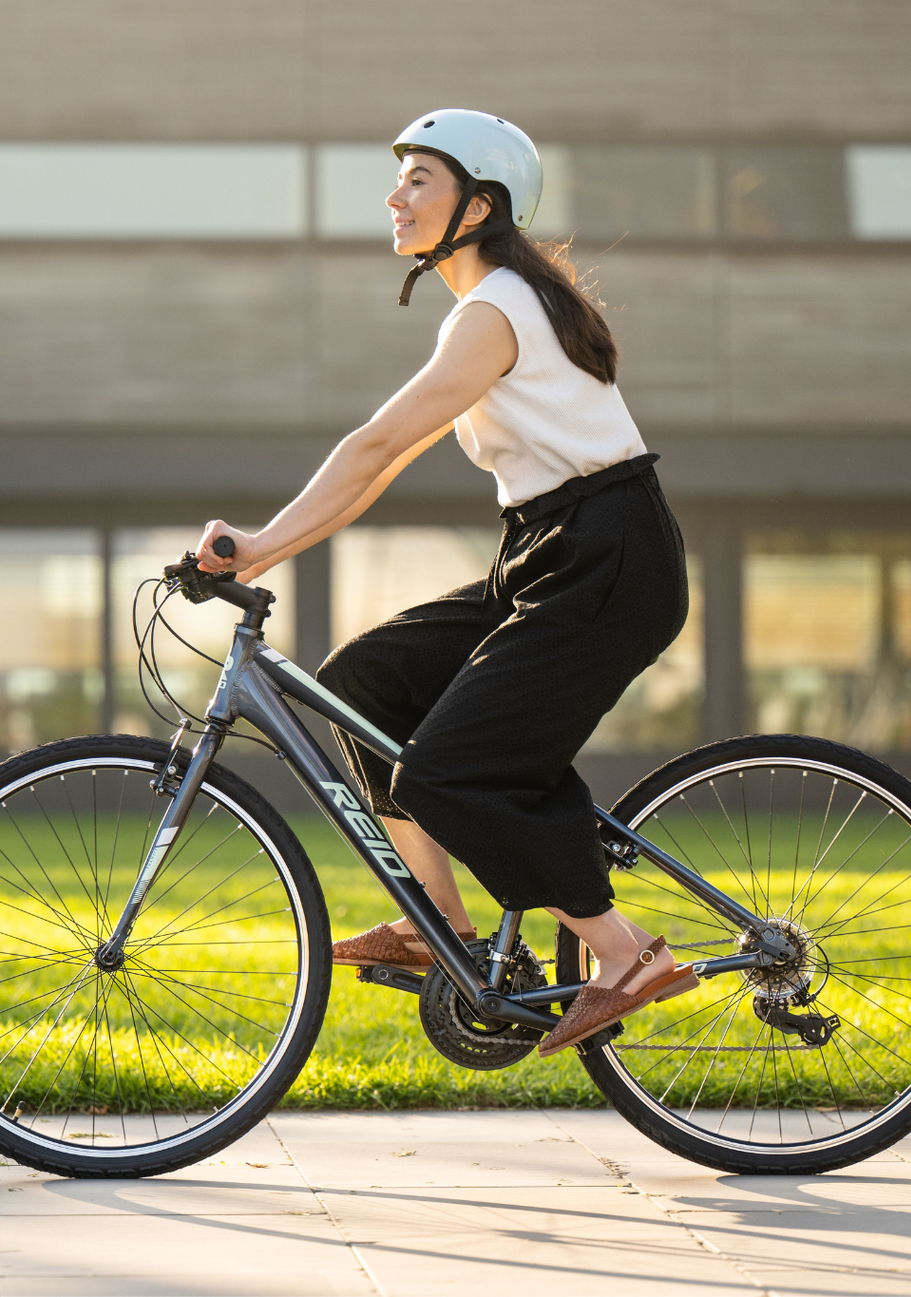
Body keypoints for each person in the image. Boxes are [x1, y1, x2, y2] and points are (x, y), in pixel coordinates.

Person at [196, 109, 693, 1057]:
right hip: (549, 549)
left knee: (448, 770)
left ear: (478, 205)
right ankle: (443, 927)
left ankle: (624, 952)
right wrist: (263, 553)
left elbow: (376, 442)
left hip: (608, 556)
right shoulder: (498, 306)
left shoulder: (496, 310)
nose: (396, 196)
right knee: (360, 685)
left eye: (419, 179)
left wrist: (257, 544)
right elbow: (382, 465)